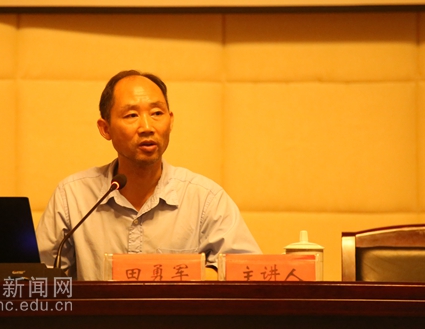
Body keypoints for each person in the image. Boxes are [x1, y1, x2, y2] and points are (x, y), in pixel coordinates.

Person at [36, 70, 261, 280]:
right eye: (131, 115)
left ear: (170, 121)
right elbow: (34, 280)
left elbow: (249, 275)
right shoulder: (72, 196)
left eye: (156, 113)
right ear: (105, 128)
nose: (147, 127)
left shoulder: (205, 199)